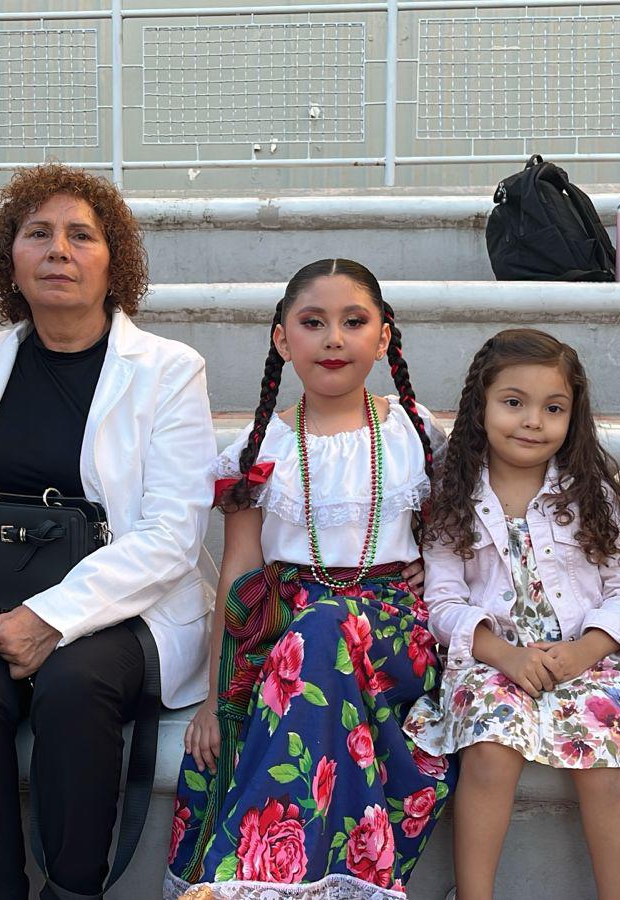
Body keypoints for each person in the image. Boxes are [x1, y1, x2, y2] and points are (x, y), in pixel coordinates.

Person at [0, 162, 218, 900]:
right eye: (38, 233)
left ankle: (73, 889)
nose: (59, 249)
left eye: (81, 235)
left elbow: (172, 534)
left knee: (73, 685)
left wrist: (50, 617)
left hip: (125, 606)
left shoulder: (169, 370)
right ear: (10, 259)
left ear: (113, 261)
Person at [168, 259, 452, 900]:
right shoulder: (259, 447)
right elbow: (240, 574)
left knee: (324, 629)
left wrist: (430, 567)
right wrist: (214, 700)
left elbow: (452, 537)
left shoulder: (413, 431)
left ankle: (249, 885)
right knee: (316, 636)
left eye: (354, 322)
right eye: (313, 322)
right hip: (285, 629)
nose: (334, 339)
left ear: (383, 338)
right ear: (282, 338)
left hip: (392, 632)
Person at [404, 328, 620, 900]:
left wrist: (586, 650)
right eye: (514, 402)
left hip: (589, 659)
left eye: (553, 408)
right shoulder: (453, 499)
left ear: (573, 416)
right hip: (491, 659)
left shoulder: (591, 494)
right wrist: (505, 656)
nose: (533, 421)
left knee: (605, 760)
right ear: (481, 406)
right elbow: (442, 602)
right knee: (489, 751)